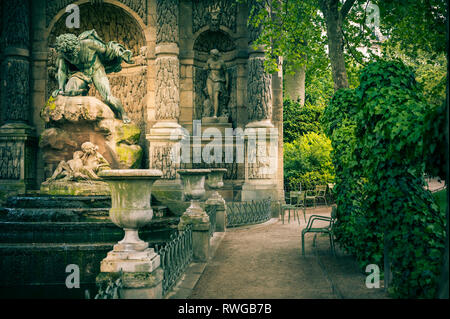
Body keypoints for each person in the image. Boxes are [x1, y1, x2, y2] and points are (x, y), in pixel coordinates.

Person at [52, 29, 133, 123]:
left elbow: (107, 50)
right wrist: (61, 88)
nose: (69, 56)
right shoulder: (63, 54)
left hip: (96, 69)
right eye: (66, 54)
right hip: (80, 73)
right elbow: (62, 70)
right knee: (69, 91)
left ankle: (123, 114)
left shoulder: (89, 44)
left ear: (74, 47)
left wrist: (120, 53)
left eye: (70, 53)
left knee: (108, 97)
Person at [204, 49, 228, 118]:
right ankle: (211, 112)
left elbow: (226, 73)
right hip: (210, 79)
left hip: (218, 80)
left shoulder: (221, 62)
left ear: (215, 55)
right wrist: (205, 68)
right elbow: (206, 68)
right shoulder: (209, 61)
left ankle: (215, 114)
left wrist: (227, 83)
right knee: (210, 96)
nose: (210, 55)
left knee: (216, 97)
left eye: (212, 54)